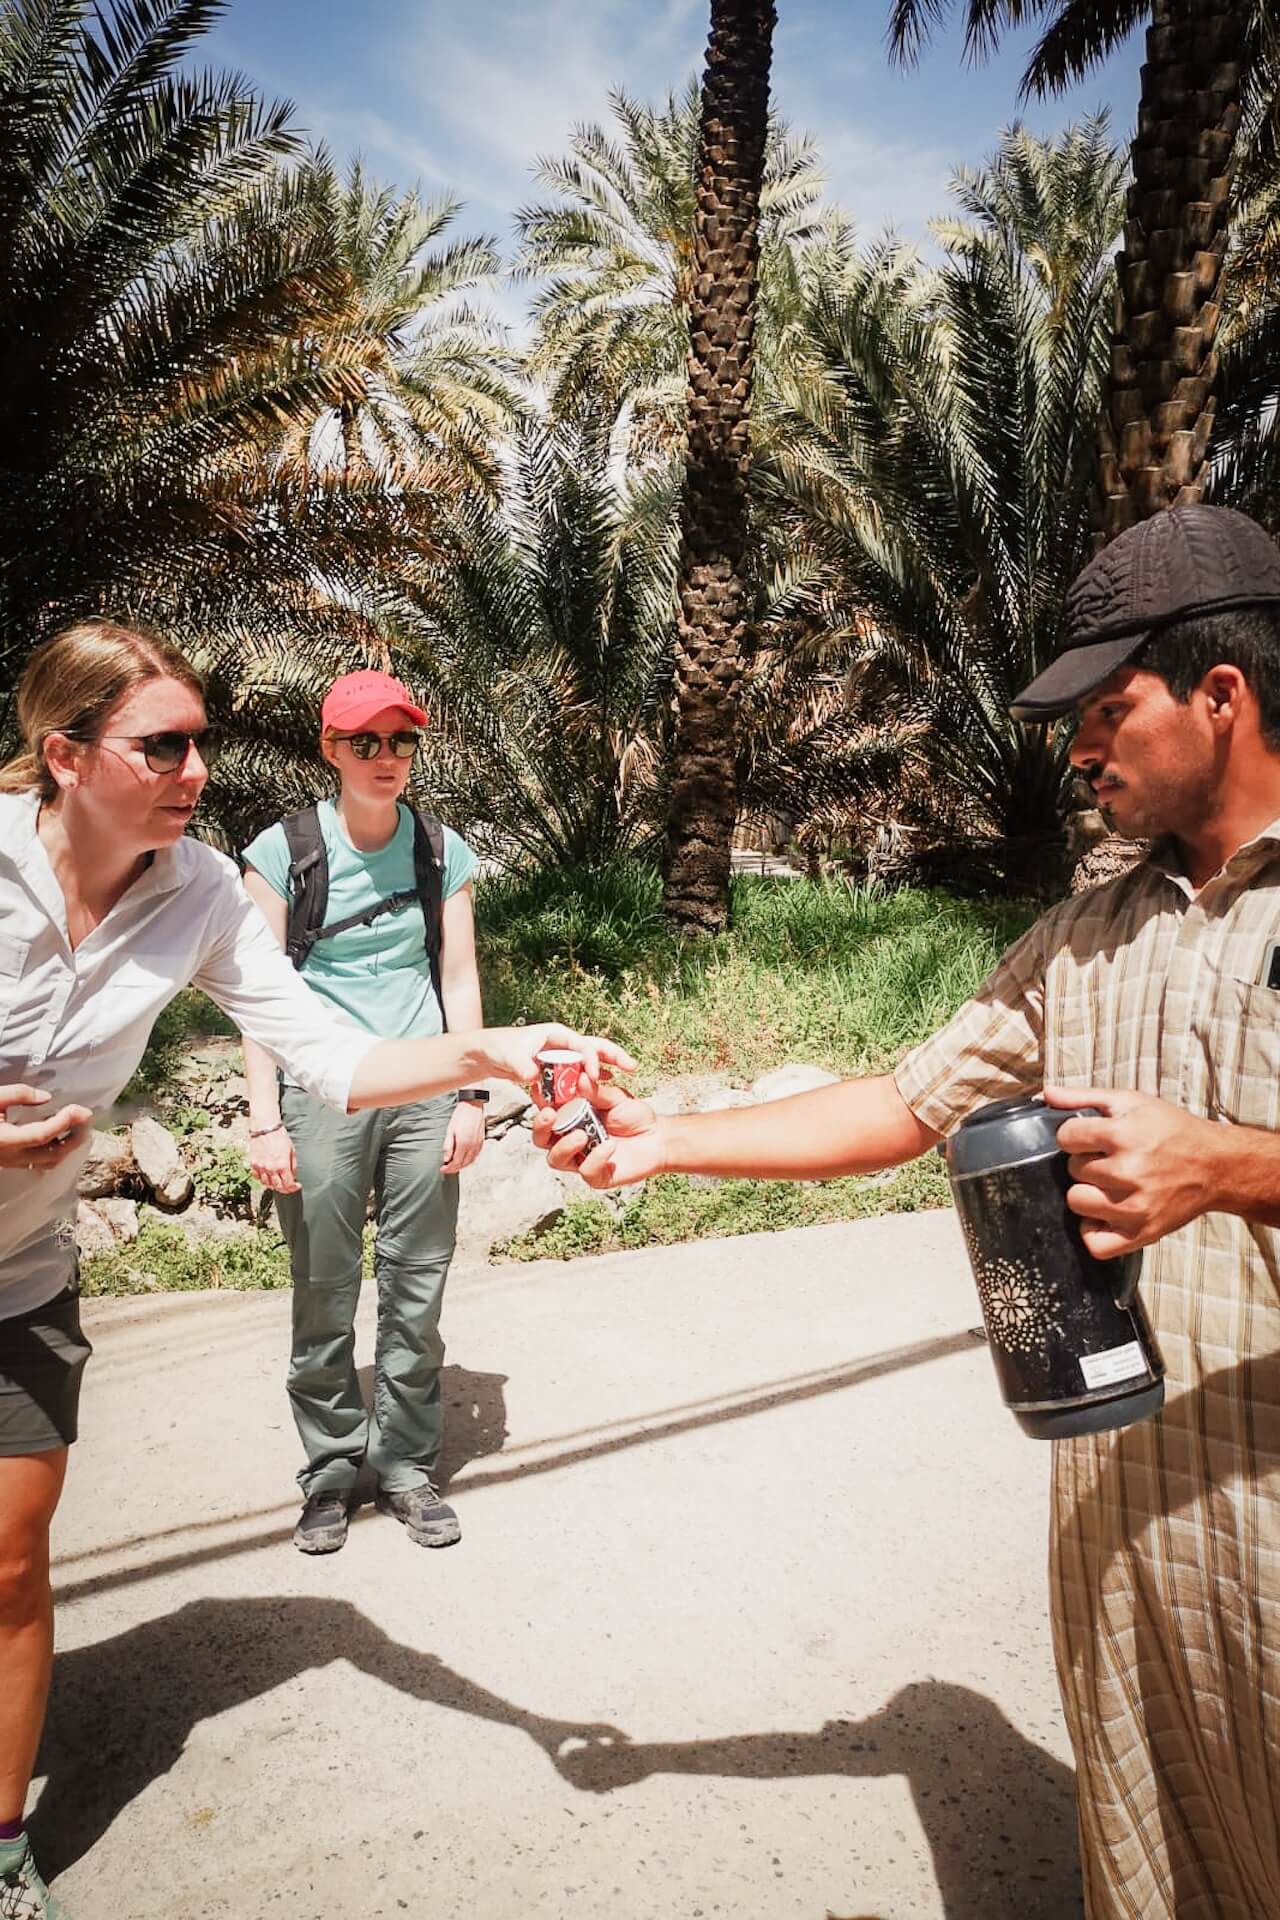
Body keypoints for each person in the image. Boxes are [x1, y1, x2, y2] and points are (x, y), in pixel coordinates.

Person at [539, 504, 1280, 1918]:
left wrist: (1233, 1166)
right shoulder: (1090, 930)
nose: (1077, 754)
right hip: (1125, 1528)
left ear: (1222, 695)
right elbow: (905, 1102)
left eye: (1108, 713)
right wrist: (665, 1145)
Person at [0, 620, 631, 1920]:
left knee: (10, 1565)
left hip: (21, 1276)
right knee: (321, 1297)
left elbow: (325, 1045)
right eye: (159, 744)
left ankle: (4, 1846)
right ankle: (330, 1460)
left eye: (201, 744)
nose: (192, 769)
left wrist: (495, 1054)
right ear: (63, 757)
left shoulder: (197, 897)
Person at [240, 670, 484, 1555]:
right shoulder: (283, 850)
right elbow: (256, 997)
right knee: (324, 1289)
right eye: (365, 742)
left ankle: (410, 1467)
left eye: (402, 741)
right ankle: (333, 1470)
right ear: (329, 748)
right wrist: (265, 1119)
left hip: (422, 1090)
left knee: (418, 1286)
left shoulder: (440, 849)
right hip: (323, 1093)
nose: (387, 758)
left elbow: (456, 978)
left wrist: (470, 1095)